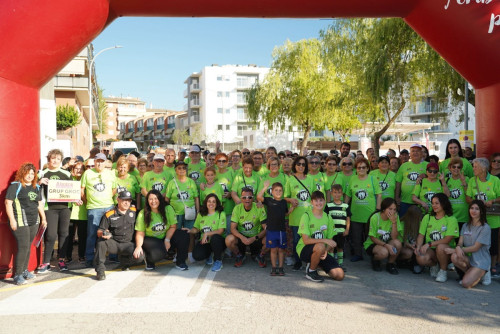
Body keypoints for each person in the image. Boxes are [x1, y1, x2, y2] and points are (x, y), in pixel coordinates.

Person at [5, 163, 47, 285]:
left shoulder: (36, 187)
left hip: (34, 221)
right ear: (22, 173)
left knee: (28, 247)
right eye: (27, 173)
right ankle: (17, 275)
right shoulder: (15, 186)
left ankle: (24, 270)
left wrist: (43, 219)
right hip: (20, 221)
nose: (30, 176)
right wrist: (12, 220)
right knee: (23, 247)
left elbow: (39, 204)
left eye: (32, 173)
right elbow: (8, 203)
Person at [133, 190, 189, 270]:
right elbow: (140, 233)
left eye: (156, 198)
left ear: (160, 199)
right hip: (151, 239)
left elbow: (173, 226)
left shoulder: (168, 209)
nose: (153, 201)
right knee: (159, 254)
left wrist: (167, 239)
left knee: (183, 234)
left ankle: (180, 262)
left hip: (165, 236)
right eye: (150, 199)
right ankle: (149, 260)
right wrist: (138, 246)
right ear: (147, 200)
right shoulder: (143, 213)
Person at [297, 191, 344, 283]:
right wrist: (325, 241)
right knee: (320, 245)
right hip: (304, 249)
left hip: (322, 251)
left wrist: (326, 250)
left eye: (321, 200)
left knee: (339, 275)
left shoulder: (328, 217)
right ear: (312, 202)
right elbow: (306, 240)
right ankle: (311, 271)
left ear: (325, 201)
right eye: (316, 201)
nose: (319, 203)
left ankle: (316, 263)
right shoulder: (306, 216)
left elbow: (330, 240)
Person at [38, 149, 73, 272]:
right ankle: (46, 262)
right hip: (50, 208)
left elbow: (73, 190)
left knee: (64, 234)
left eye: (58, 159)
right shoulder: (43, 173)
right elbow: (33, 188)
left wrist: (76, 199)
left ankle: (61, 260)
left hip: (65, 208)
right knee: (51, 235)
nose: (55, 161)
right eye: (53, 158)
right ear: (49, 159)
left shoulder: (67, 174)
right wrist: (39, 182)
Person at [81, 152, 117, 267]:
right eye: (98, 161)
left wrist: (106, 198)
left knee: (110, 232)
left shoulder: (111, 174)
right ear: (94, 162)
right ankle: (90, 258)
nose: (100, 163)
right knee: (92, 234)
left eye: (102, 161)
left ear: (105, 162)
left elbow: (114, 189)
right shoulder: (87, 173)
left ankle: (112, 255)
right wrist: (89, 202)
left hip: (108, 206)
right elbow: (82, 190)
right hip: (93, 208)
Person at [466, 157, 500, 277]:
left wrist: (493, 200)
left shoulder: (495, 180)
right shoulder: (472, 180)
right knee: (477, 242)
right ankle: (478, 266)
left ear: (483, 168)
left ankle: (491, 267)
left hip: (493, 218)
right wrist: (476, 203)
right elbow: (468, 198)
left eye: (475, 167)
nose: (473, 169)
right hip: (477, 218)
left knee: (493, 243)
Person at [94, 191, 140, 280]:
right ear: (118, 200)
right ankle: (100, 270)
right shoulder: (109, 214)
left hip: (128, 243)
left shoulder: (134, 212)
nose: (127, 203)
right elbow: (100, 231)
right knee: (101, 243)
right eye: (124, 200)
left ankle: (125, 262)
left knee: (140, 256)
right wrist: (104, 234)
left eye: (129, 200)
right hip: (114, 243)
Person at [445, 200, 491, 288]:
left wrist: (454, 249)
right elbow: (460, 243)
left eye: (477, 209)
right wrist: (458, 247)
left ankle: (484, 272)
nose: (473, 211)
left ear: (481, 211)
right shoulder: (465, 226)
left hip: (480, 260)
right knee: (454, 256)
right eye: (472, 208)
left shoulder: (485, 228)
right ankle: (472, 274)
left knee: (465, 284)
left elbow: (475, 248)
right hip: (469, 259)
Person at [415, 193, 459, 282]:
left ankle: (443, 271)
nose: (434, 205)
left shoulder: (451, 219)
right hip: (431, 250)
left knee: (440, 247)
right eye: (432, 203)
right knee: (420, 258)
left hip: (446, 251)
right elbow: (421, 235)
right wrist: (418, 247)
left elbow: (447, 239)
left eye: (437, 203)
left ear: (444, 204)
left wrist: (429, 244)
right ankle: (434, 265)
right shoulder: (427, 217)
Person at [345, 158, 382, 262]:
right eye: (358, 167)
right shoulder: (353, 179)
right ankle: (358, 254)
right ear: (356, 169)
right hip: (355, 213)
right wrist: (344, 207)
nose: (361, 169)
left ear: (367, 168)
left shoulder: (372, 179)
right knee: (356, 236)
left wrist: (378, 210)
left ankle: (373, 255)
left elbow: (379, 195)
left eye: (363, 167)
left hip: (370, 214)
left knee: (370, 236)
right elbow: (348, 195)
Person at [165, 161, 200, 263]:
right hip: (176, 213)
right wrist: (168, 213)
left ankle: (190, 253)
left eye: (184, 168)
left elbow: (196, 198)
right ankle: (178, 253)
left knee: (190, 233)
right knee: (176, 234)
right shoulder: (172, 182)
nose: (181, 170)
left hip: (189, 212)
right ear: (175, 170)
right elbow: (167, 199)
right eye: (179, 168)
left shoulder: (191, 182)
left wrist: (197, 211)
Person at [284, 156, 315, 271]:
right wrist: (290, 200)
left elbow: (314, 197)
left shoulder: (310, 179)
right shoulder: (290, 180)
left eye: (303, 164)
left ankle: (308, 260)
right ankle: (298, 261)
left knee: (308, 239)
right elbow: (285, 196)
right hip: (295, 215)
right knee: (297, 240)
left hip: (308, 216)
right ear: (294, 166)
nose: (301, 166)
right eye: (298, 164)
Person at [225, 187, 267, 268]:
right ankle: (239, 255)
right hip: (242, 238)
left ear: (253, 198)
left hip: (256, 237)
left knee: (270, 239)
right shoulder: (237, 208)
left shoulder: (259, 207)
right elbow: (232, 228)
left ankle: (260, 255)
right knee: (229, 240)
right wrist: (243, 238)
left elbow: (266, 228)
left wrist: (254, 238)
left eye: (249, 197)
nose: (247, 199)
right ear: (241, 198)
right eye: (244, 197)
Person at [257, 181, 292, 276]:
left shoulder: (284, 202)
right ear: (272, 191)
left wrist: (292, 208)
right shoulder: (269, 200)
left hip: (281, 230)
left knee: (281, 250)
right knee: (273, 250)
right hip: (271, 230)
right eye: (276, 190)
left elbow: (285, 213)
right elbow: (259, 197)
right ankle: (273, 267)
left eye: (280, 190)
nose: (278, 192)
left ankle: (280, 268)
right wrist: (265, 187)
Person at [363, 198, 403, 274]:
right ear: (384, 209)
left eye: (394, 209)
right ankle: (375, 260)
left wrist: (394, 223)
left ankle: (390, 264)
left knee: (398, 243)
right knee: (384, 252)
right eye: (390, 209)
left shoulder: (395, 217)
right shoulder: (375, 217)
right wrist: (386, 245)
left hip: (387, 242)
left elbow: (394, 238)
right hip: (373, 243)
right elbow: (372, 237)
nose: (392, 212)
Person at [188, 194, 226, 272]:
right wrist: (189, 230)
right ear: (206, 202)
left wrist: (207, 233)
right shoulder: (201, 214)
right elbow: (196, 229)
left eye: (213, 202)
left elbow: (220, 231)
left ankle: (218, 261)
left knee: (215, 238)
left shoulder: (220, 213)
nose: (211, 204)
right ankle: (209, 254)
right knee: (197, 256)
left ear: (217, 203)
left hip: (218, 241)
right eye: (209, 201)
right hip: (205, 242)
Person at [395, 144, 428, 217]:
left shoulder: (427, 165)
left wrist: (426, 176)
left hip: (421, 202)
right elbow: (398, 183)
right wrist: (397, 197)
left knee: (419, 225)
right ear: (410, 154)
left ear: (422, 153)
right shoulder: (404, 166)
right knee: (403, 224)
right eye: (413, 151)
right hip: (404, 202)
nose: (415, 153)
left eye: (418, 151)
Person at [324, 184, 351, 271]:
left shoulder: (345, 206)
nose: (337, 194)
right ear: (331, 193)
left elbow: (348, 218)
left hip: (341, 232)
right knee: (331, 248)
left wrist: (347, 229)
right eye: (335, 192)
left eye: (339, 192)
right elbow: (326, 218)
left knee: (340, 248)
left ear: (342, 194)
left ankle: (340, 264)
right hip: (332, 232)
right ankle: (332, 264)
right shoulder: (328, 205)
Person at [66, 162, 87, 263]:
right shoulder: (69, 180)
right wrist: (73, 199)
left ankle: (81, 255)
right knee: (69, 236)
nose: (79, 171)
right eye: (76, 169)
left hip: (83, 212)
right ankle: (67, 255)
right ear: (73, 170)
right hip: (70, 212)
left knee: (82, 236)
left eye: (81, 169)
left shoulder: (86, 180)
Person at [445, 157, 470, 228]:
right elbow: (445, 196)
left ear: (461, 169)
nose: (456, 169)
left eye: (458, 167)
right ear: (450, 168)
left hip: (464, 216)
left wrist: (464, 183)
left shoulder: (466, 179)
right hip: (450, 215)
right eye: (454, 167)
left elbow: (469, 196)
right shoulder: (446, 180)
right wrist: (443, 182)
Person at [398, 205, 423, 273]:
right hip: (404, 246)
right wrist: (410, 245)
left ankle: (416, 264)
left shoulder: (420, 223)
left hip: (415, 245)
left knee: (418, 250)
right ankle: (397, 261)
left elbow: (421, 237)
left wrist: (417, 245)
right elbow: (402, 241)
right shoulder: (402, 224)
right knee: (409, 253)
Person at [214, 153, 234, 234]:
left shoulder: (232, 173)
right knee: (218, 232)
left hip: (229, 207)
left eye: (223, 161)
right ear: (216, 162)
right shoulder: (214, 173)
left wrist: (230, 194)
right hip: (217, 208)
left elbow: (236, 188)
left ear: (227, 162)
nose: (221, 163)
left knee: (229, 232)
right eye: (219, 161)